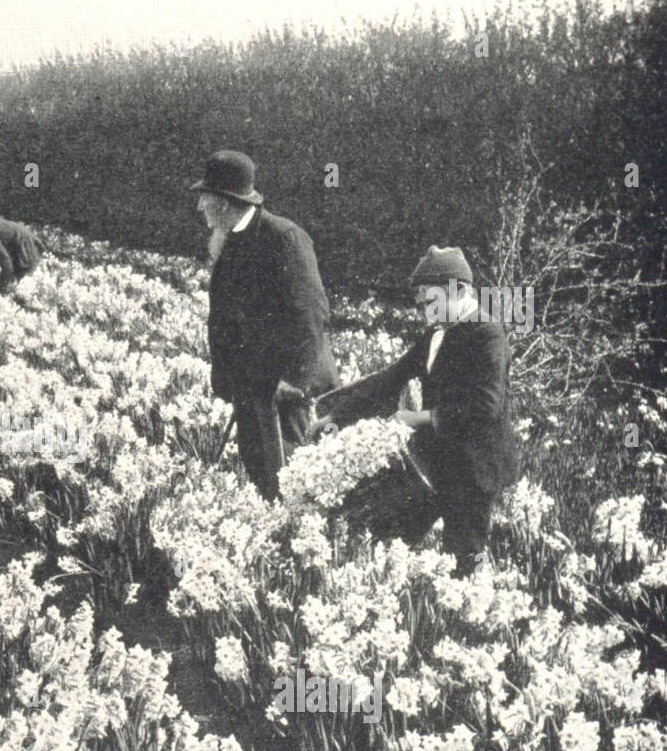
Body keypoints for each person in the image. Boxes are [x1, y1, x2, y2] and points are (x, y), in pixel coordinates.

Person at [311, 246, 521, 573]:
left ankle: (462, 612)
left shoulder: (487, 333)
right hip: (438, 460)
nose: (426, 312)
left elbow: (485, 405)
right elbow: (389, 378)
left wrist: (420, 418)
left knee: (463, 555)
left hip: (475, 466)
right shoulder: (436, 334)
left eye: (432, 302)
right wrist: (335, 416)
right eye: (421, 304)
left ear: (461, 290)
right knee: (392, 543)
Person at [194, 149, 339, 499]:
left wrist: (294, 381)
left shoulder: (284, 239)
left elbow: (311, 314)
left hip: (288, 393)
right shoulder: (228, 241)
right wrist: (227, 382)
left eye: (205, 198)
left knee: (295, 479)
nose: (200, 207)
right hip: (253, 387)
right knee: (260, 472)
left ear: (225, 203)